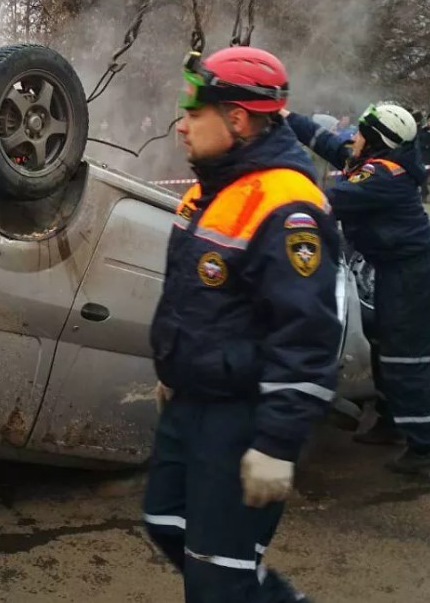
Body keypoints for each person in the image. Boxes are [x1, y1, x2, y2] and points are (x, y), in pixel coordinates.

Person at [144, 47, 341, 603]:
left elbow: (307, 335)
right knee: (165, 522)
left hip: (240, 416)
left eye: (194, 114)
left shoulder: (287, 206)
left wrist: (277, 443)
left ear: (236, 118)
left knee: (217, 580)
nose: (181, 127)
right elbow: (200, 302)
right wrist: (173, 371)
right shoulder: (208, 191)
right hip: (191, 404)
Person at [283, 102, 430, 473]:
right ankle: (391, 421)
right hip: (394, 269)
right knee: (383, 343)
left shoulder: (384, 176)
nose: (355, 138)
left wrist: (276, 195)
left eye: (363, 132)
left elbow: (326, 203)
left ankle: (423, 447)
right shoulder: (377, 162)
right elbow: (332, 145)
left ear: (378, 139)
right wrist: (283, 116)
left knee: (405, 357)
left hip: (411, 274)